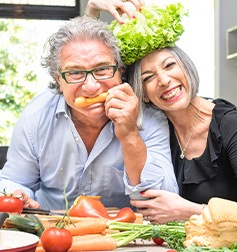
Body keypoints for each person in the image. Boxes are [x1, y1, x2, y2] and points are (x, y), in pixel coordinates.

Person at [85, 0, 237, 225]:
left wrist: (191, 211)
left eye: (169, 66)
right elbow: (96, 74)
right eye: (148, 78)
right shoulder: (154, 127)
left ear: (185, 67)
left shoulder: (227, 122)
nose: (165, 81)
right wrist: (92, 10)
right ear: (143, 94)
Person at [0, 15, 178, 211]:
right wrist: (19, 194)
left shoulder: (150, 117)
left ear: (120, 71)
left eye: (102, 69)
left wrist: (130, 136)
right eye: (75, 73)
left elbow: (164, 201)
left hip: (125, 232)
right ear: (58, 79)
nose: (91, 87)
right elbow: (14, 181)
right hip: (52, 228)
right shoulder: (35, 117)